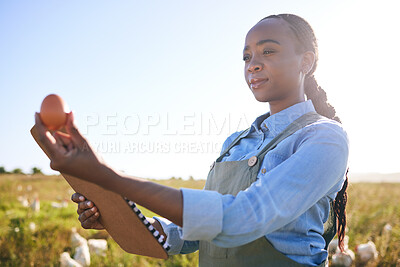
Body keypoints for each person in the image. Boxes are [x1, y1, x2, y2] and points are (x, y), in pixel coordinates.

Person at [34, 13, 349, 267]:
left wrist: (109, 177)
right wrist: (123, 219)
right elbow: (198, 232)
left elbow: (241, 218)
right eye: (246, 56)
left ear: (305, 62)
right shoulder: (236, 142)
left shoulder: (324, 138)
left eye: (268, 51)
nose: (252, 63)